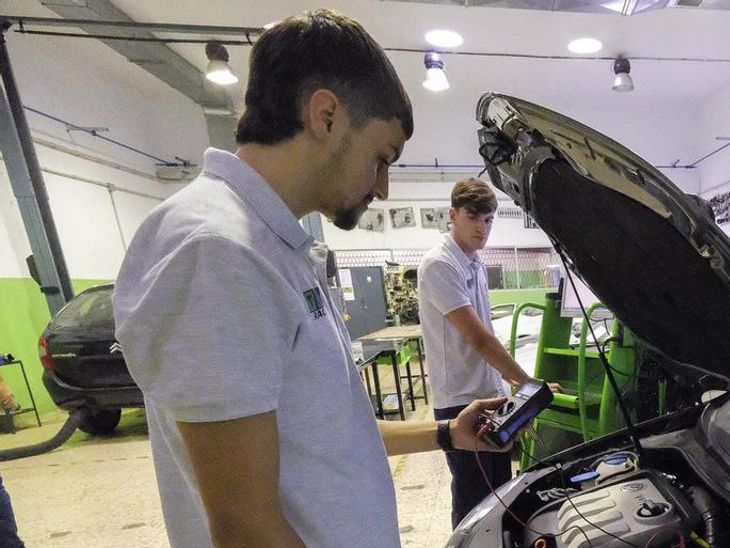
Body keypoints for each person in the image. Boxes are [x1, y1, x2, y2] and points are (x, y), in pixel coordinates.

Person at [113, 10, 506, 548]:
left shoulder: (273, 246)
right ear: (325, 115)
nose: (384, 187)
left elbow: (316, 436)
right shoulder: (217, 252)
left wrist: (444, 432)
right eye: (381, 157)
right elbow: (246, 525)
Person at [417, 179, 557, 526]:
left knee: (499, 492)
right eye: (473, 217)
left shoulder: (474, 262)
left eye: (489, 219)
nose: (482, 227)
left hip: (489, 393)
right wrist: (529, 385)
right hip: (460, 400)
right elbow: (479, 340)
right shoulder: (440, 265)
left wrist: (512, 388)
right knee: (473, 500)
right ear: (453, 215)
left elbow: (488, 335)